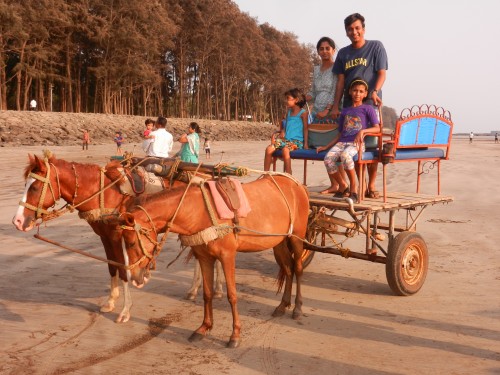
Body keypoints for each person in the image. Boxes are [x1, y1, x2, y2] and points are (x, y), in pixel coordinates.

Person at [331, 13, 388, 199]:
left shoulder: (376, 47)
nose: (354, 32)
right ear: (346, 32)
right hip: (349, 108)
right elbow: (340, 81)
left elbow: (381, 73)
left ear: (363, 29)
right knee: (353, 147)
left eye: (357, 28)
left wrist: (375, 91)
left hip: (370, 104)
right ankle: (356, 186)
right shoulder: (343, 53)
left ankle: (370, 185)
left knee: (371, 147)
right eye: (350, 29)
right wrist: (335, 105)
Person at [317, 79, 380, 203]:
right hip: (342, 143)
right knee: (328, 159)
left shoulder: (368, 109)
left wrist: (362, 132)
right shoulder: (345, 111)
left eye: (361, 91)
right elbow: (340, 133)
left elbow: (377, 128)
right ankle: (343, 185)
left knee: (345, 156)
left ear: (365, 94)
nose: (357, 93)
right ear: (350, 92)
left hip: (357, 144)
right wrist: (326, 146)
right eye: (355, 90)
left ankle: (354, 189)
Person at [264, 88, 308, 175]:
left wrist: (306, 143)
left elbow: (306, 128)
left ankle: (288, 174)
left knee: (285, 150)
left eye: (288, 98)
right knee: (269, 149)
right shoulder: (289, 112)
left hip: (297, 142)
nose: (286, 101)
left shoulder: (303, 113)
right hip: (286, 141)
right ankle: (266, 174)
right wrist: (283, 131)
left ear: (296, 100)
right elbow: (286, 126)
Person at [306, 36, 338, 124]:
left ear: (333, 51)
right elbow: (313, 92)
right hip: (316, 113)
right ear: (318, 52)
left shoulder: (337, 68)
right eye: (321, 49)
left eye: (327, 48)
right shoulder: (316, 70)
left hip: (331, 114)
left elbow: (335, 91)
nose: (324, 51)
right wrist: (300, 99)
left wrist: (327, 110)